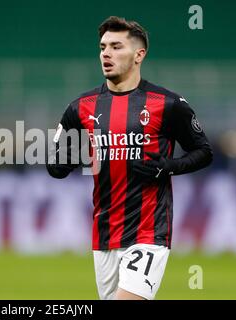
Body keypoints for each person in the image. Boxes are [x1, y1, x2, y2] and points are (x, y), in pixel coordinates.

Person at [46, 16, 212, 300]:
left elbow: (203, 152)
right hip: (105, 233)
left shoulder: (167, 104)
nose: (106, 54)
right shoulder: (80, 108)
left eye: (116, 46)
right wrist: (72, 158)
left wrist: (167, 167)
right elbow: (56, 164)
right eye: (102, 47)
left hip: (149, 231)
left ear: (139, 54)